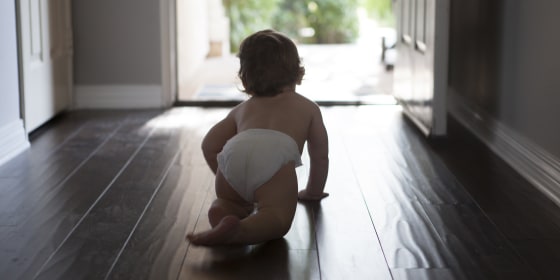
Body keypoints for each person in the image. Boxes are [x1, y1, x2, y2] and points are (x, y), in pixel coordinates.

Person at [186, 29, 329, 246]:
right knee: (276, 218)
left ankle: (223, 210)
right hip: (274, 158)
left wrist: (228, 174)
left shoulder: (242, 110)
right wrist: (313, 192)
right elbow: (319, 156)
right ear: (297, 73)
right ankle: (241, 231)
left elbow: (209, 145)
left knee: (227, 201)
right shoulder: (308, 108)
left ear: (245, 77)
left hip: (234, 155)